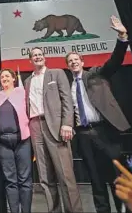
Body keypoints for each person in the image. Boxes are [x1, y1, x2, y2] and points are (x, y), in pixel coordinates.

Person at [65, 16, 131, 213]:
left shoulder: (96, 74)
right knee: (95, 179)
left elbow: (115, 61)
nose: (73, 62)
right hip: (84, 136)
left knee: (118, 177)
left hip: (105, 133)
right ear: (68, 66)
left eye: (76, 59)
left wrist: (122, 36)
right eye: (70, 61)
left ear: (82, 61)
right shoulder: (68, 88)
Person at [25, 47, 83, 213]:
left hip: (56, 127)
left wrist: (67, 124)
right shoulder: (28, 81)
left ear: (44, 58)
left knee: (66, 175)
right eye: (34, 55)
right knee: (45, 176)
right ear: (30, 60)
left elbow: (67, 100)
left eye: (40, 55)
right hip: (35, 126)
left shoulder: (56, 73)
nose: (37, 57)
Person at [0, 68, 33, 213]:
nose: (4, 78)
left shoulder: (21, 92)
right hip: (2, 143)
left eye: (7, 76)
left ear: (14, 78)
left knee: (24, 180)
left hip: (22, 141)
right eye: (2, 76)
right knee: (10, 181)